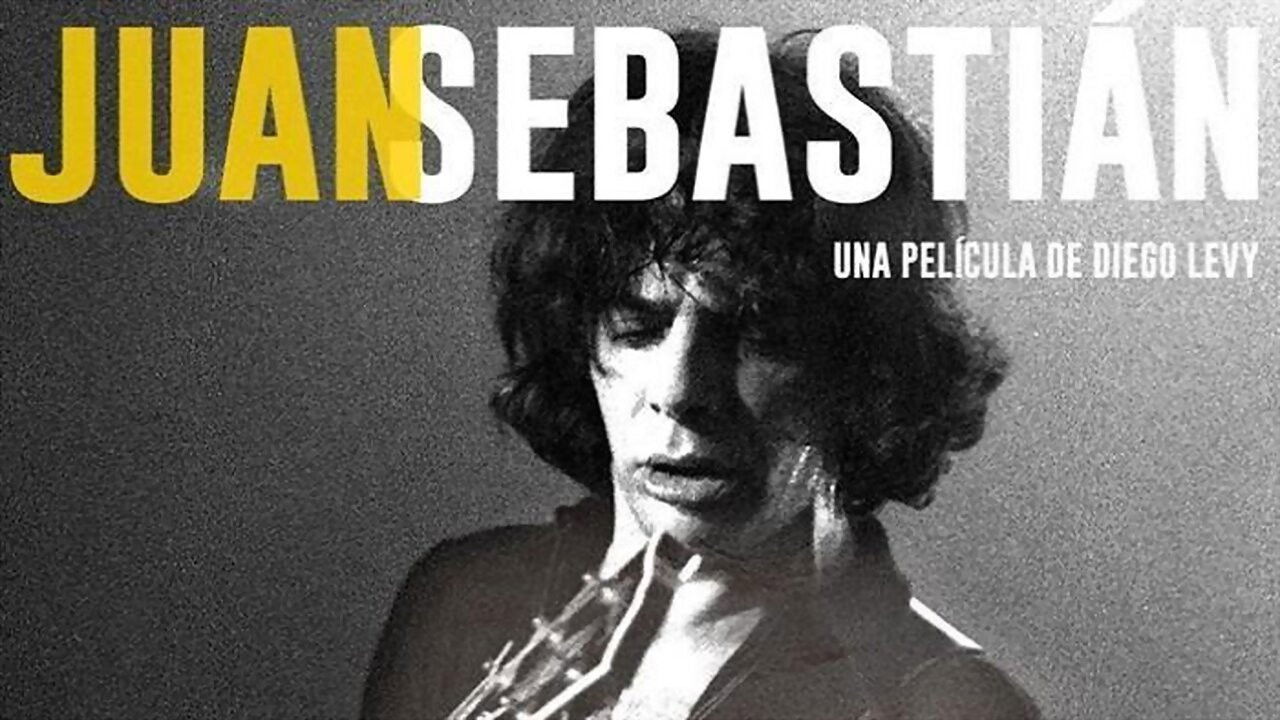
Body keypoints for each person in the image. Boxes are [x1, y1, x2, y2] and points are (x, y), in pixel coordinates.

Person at [362, 28, 1039, 720]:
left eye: (757, 336)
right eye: (637, 326)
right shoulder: (461, 601)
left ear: (864, 369)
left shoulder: (947, 708)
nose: (680, 391)